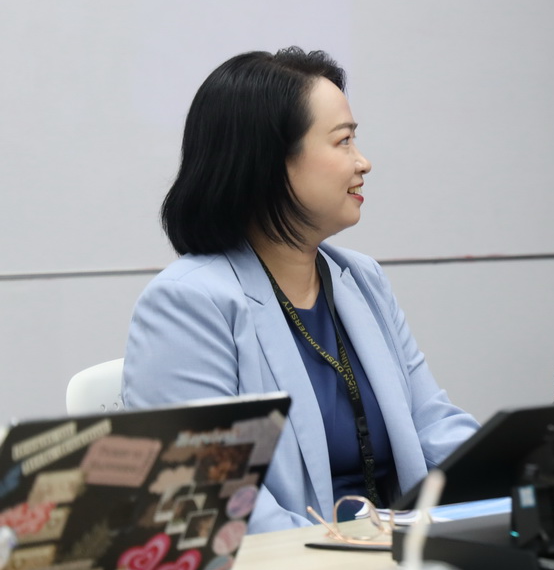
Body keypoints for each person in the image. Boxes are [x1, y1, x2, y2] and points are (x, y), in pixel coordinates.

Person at [123, 47, 479, 532]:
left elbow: (433, 424)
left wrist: (516, 478)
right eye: (343, 141)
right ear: (270, 161)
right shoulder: (188, 302)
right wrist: (348, 552)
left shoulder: (362, 278)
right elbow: (212, 498)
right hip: (293, 565)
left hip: (396, 551)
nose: (364, 162)